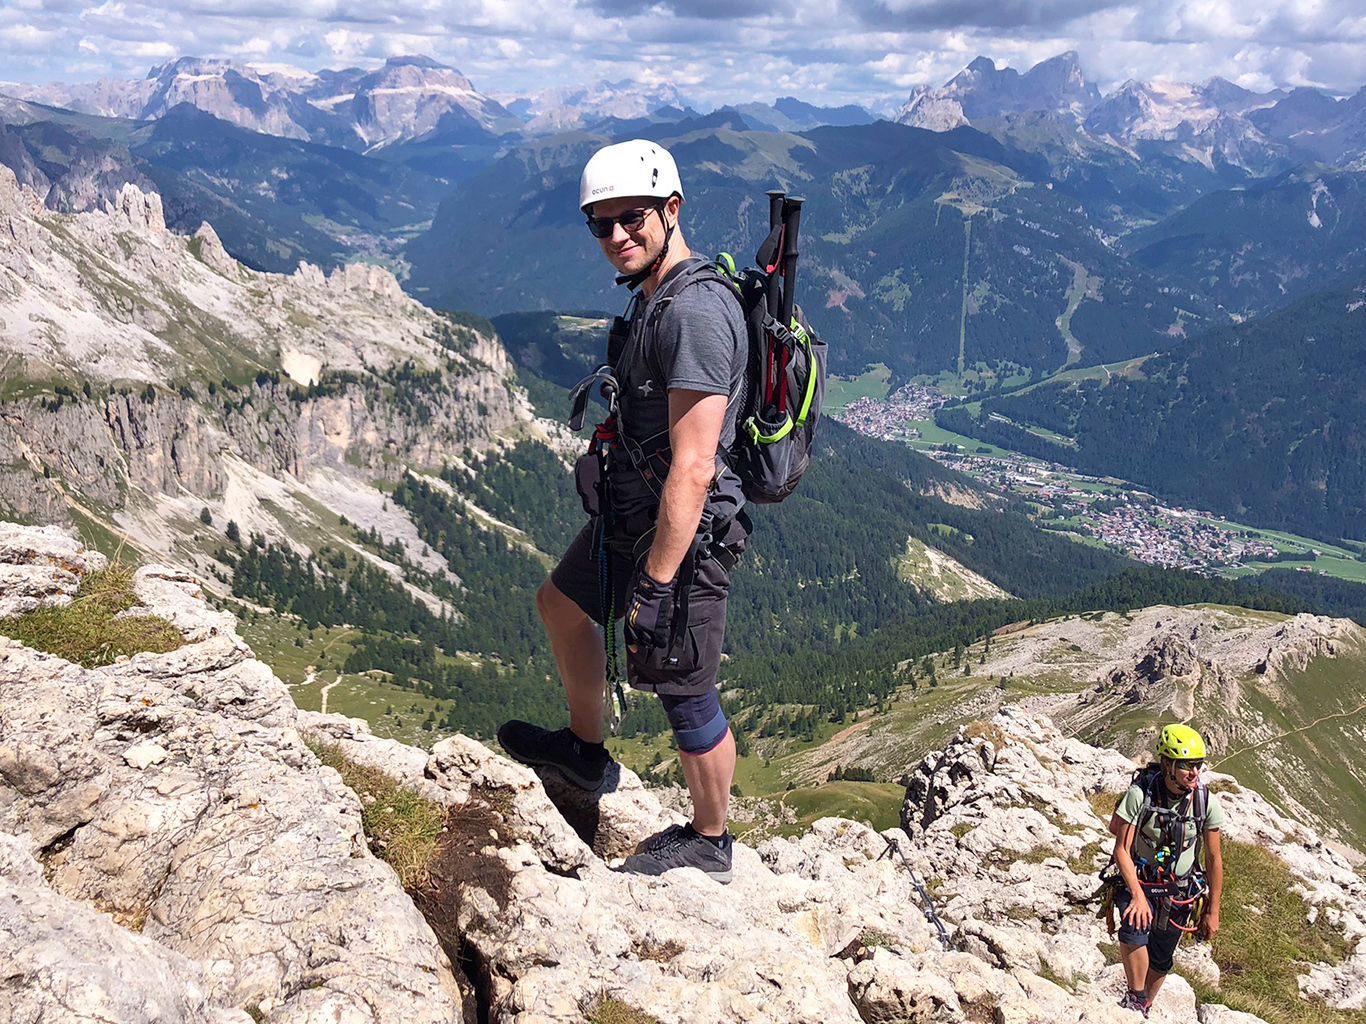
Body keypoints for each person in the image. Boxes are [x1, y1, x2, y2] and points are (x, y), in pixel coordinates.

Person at [498, 139, 750, 884]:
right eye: (600, 225)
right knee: (562, 604)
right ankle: (585, 749)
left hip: (685, 536)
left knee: (683, 685)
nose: (615, 237)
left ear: (671, 210)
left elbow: (697, 465)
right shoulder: (654, 295)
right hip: (632, 516)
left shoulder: (697, 313)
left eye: (631, 218)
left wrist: (661, 584)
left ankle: (710, 841)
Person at [1110, 724, 1224, 1017]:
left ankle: (1144, 1005)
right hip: (1140, 881)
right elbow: (1121, 850)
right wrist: (1135, 895)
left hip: (1180, 890)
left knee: (1162, 957)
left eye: (1198, 765)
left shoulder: (1204, 801)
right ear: (1167, 765)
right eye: (1186, 766)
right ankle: (1135, 1000)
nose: (1194, 772)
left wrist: (1213, 910)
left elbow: (1213, 858)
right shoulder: (1141, 793)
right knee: (1134, 928)